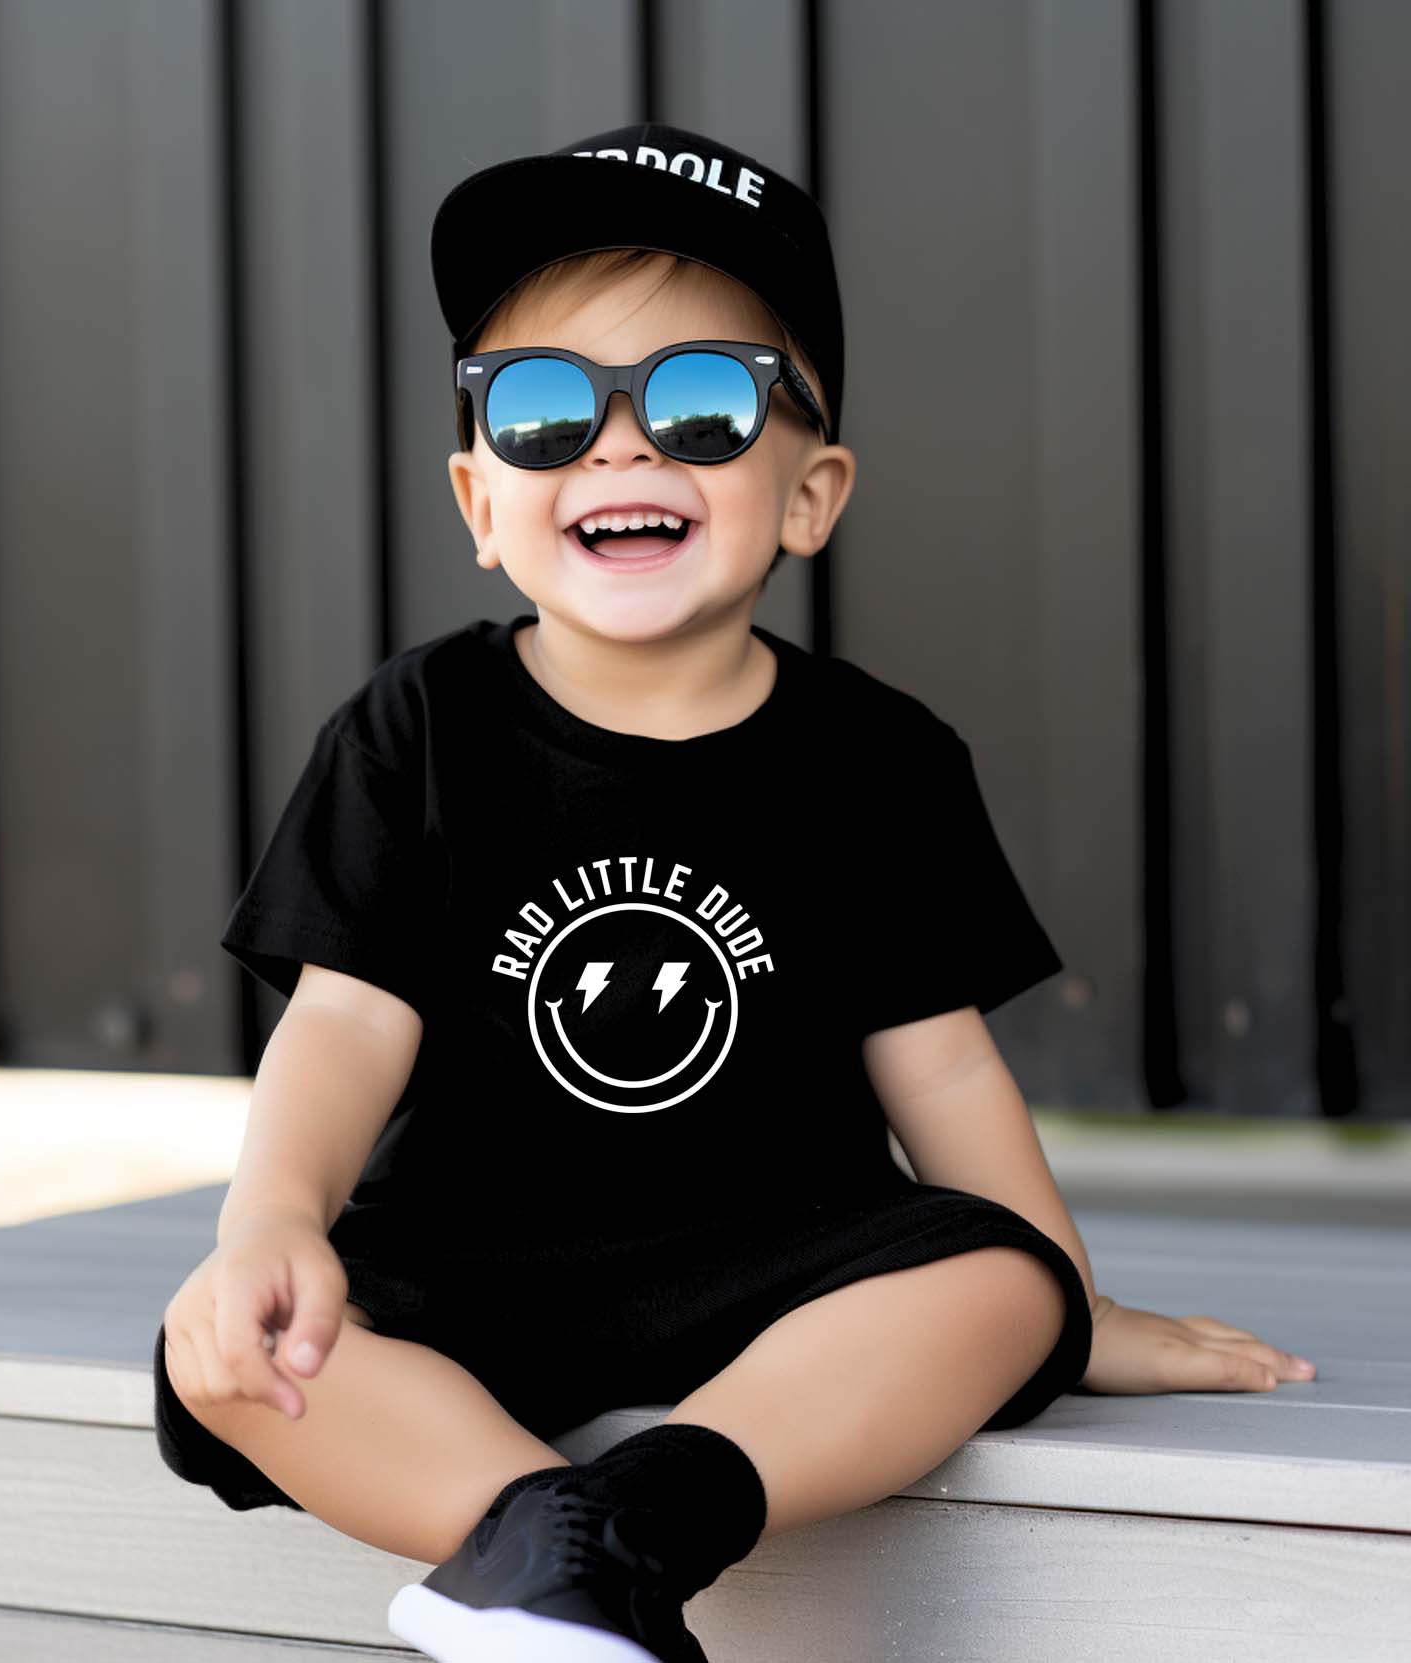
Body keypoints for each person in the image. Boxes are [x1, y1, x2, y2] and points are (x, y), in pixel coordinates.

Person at [152, 122, 1318, 1663]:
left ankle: (628, 1530)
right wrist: (272, 1220)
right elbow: (347, 1022)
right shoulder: (414, 731)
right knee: (230, 1351)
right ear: (480, 503)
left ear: (809, 493)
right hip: (474, 1256)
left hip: (782, 1254)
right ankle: (555, 1548)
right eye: (542, 407)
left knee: (991, 1283)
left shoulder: (879, 758)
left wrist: (1063, 1305)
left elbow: (941, 1065)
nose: (618, 447)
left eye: (700, 403)